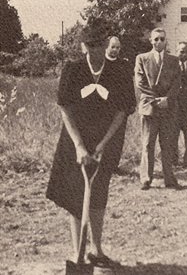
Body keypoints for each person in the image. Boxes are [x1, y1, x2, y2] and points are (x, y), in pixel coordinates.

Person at [46, 18, 134, 266]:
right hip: (75, 141)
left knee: (98, 194)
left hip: (106, 139)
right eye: (91, 45)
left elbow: (122, 110)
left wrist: (103, 145)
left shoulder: (119, 71)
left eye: (100, 44)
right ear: (84, 45)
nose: (95, 50)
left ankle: (97, 250)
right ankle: (78, 254)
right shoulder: (73, 70)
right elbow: (65, 108)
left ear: (106, 44)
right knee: (76, 194)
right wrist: (79, 146)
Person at [135, 27, 182, 190]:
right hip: (150, 107)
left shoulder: (174, 60)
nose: (159, 42)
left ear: (166, 40)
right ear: (151, 41)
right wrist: (156, 100)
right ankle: (146, 178)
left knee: (167, 144)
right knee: (148, 144)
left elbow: (177, 83)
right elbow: (140, 82)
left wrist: (167, 99)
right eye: (156, 39)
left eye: (162, 39)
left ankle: (169, 178)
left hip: (168, 108)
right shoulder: (142, 58)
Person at [105, 36, 136, 167]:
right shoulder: (100, 64)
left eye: (118, 48)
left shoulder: (124, 64)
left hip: (121, 108)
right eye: (113, 47)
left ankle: (114, 165)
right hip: (104, 108)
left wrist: (132, 103)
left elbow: (129, 85)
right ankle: (102, 165)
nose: (115, 50)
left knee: (118, 138)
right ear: (106, 47)